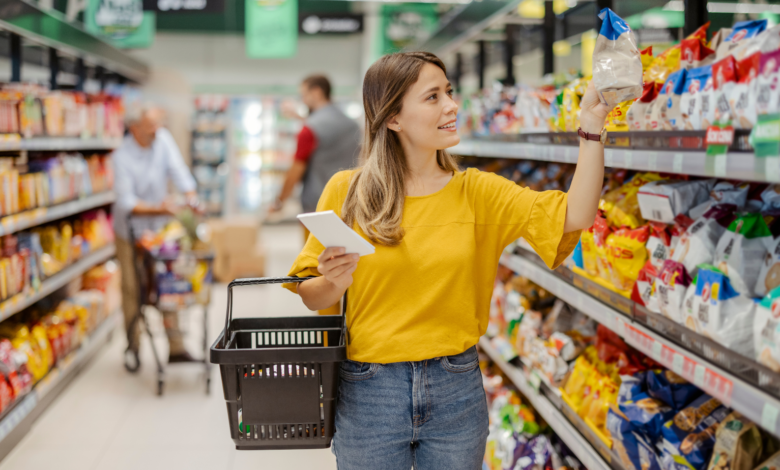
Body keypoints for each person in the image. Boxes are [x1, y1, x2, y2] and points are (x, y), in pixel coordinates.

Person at [283, 52, 609, 469]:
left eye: (449, 93)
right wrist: (334, 282)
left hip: (456, 389)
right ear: (394, 118)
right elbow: (310, 294)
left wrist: (592, 128)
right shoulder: (351, 191)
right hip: (370, 391)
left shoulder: (478, 192)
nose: (452, 105)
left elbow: (575, 215)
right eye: (433, 97)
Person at [113, 104, 200, 366]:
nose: (157, 130)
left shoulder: (162, 140)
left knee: (167, 284)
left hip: (160, 232)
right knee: (132, 289)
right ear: (134, 128)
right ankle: (133, 345)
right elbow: (127, 202)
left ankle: (176, 347)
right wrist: (159, 207)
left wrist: (191, 197)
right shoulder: (121, 156)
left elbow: (179, 172)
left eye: (158, 124)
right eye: (151, 126)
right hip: (130, 232)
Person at [274, 74, 361, 316]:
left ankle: (329, 339)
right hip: (354, 208)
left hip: (318, 211)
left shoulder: (309, 130)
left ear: (316, 93)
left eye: (303, 94)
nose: (302, 100)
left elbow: (295, 170)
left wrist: (279, 200)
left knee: (322, 276)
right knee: (353, 272)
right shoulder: (352, 125)